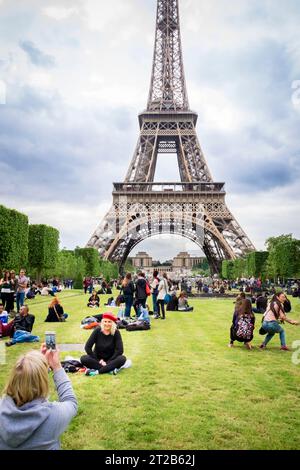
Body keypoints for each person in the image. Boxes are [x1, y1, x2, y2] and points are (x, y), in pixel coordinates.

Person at [0, 346, 77, 450]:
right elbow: (71, 401)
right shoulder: (53, 416)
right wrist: (57, 367)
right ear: (43, 382)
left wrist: (40, 364)